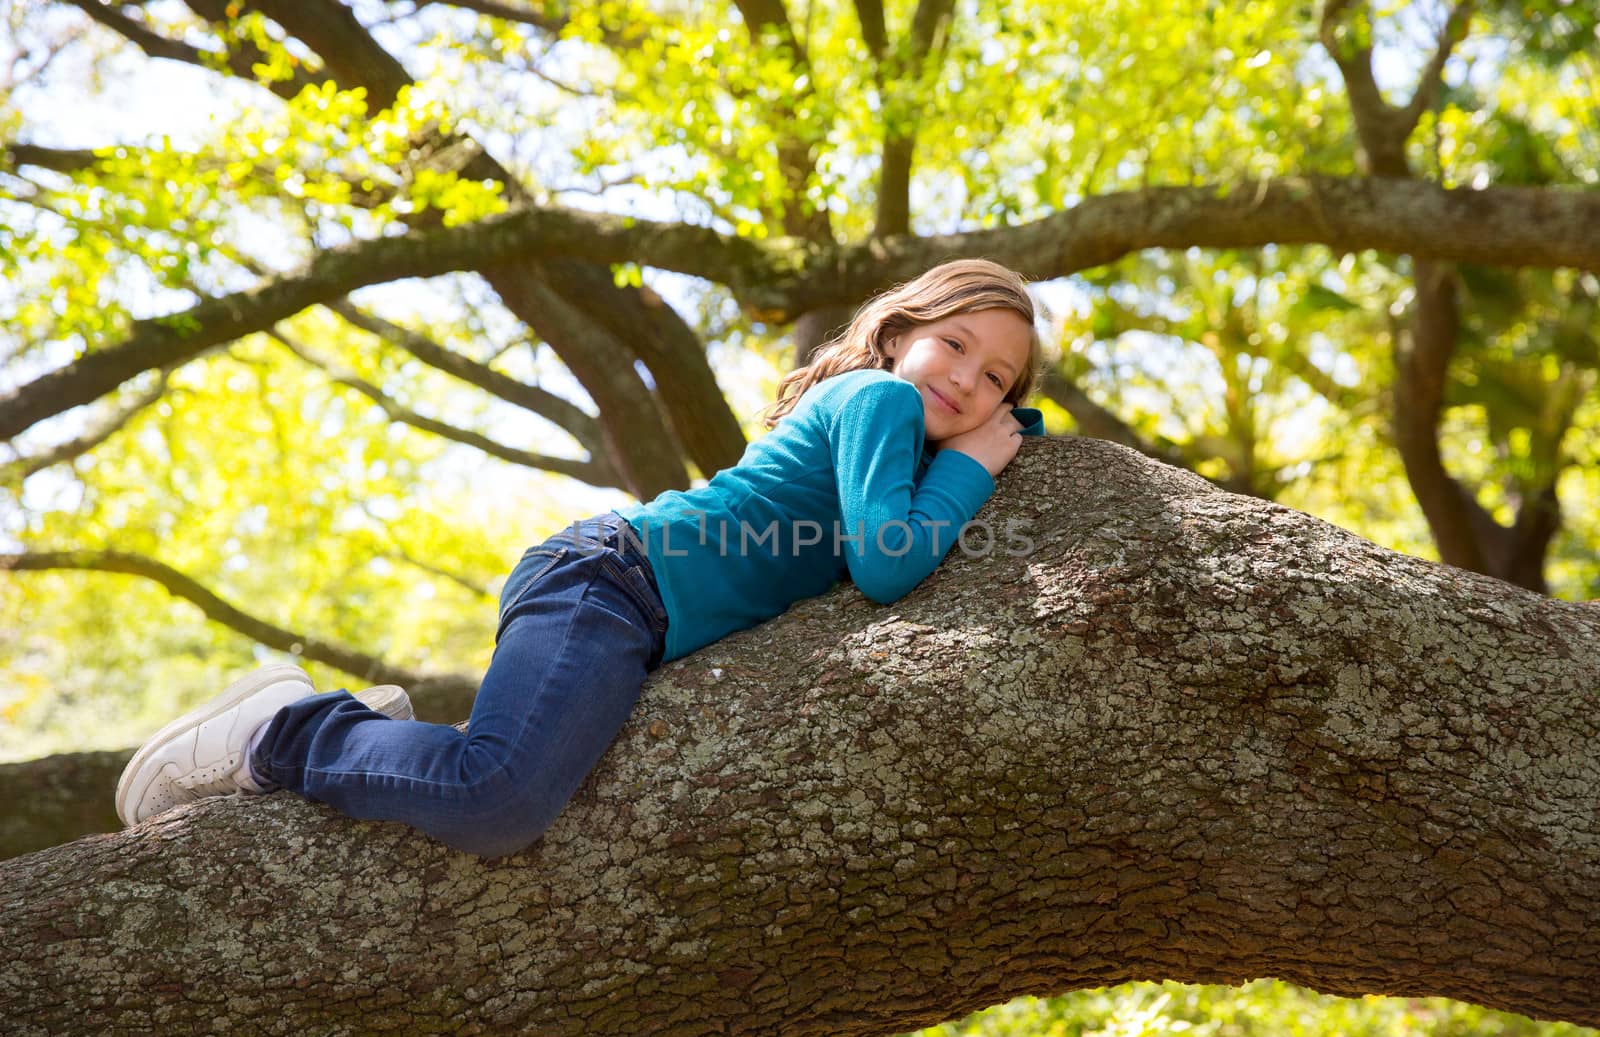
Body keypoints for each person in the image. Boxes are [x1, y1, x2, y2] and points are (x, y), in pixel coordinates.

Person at [114, 258, 1049, 857]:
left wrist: (1002, 442)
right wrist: (972, 463)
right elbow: (889, 566)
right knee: (499, 796)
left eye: (996, 378)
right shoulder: (877, 403)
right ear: (899, 333)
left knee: (506, 793)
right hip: (612, 578)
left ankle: (368, 730)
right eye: (954, 343)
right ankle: (287, 730)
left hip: (631, 607)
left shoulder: (887, 441)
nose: (966, 378)